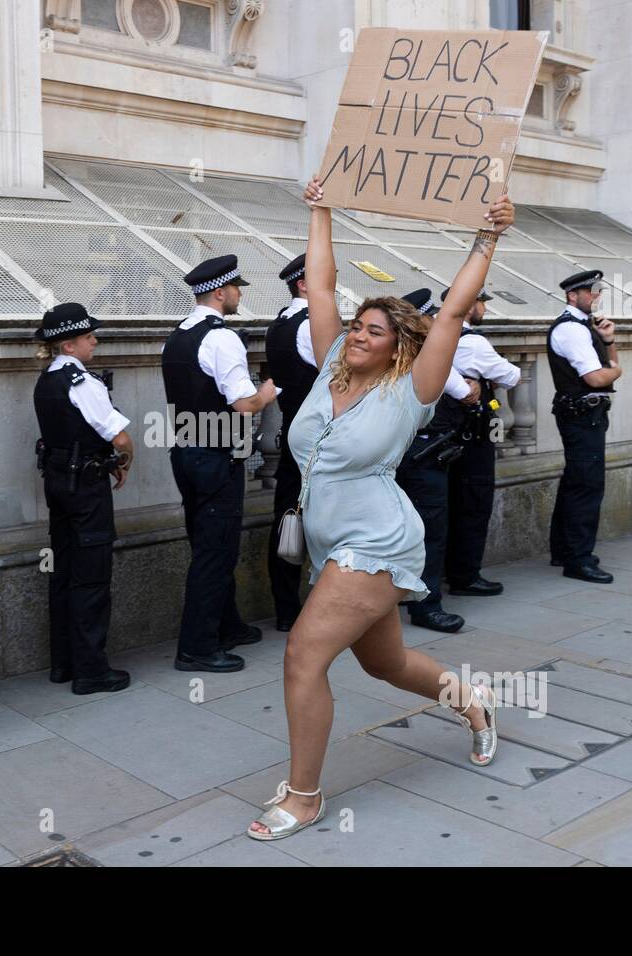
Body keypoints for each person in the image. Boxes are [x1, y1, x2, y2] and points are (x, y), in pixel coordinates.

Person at [247, 178, 514, 841]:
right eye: (358, 326)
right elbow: (320, 280)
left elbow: (450, 315)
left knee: (302, 658)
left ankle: (304, 796)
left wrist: (489, 236)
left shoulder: (412, 388)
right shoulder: (333, 360)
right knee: (386, 664)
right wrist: (320, 208)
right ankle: (473, 701)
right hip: (329, 543)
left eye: (375, 331)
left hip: (375, 540)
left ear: (398, 345)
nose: (360, 336)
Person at [162, 254, 279, 673]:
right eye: (236, 288)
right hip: (215, 456)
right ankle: (196, 648)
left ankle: (226, 626)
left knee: (209, 544)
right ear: (219, 292)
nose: (239, 295)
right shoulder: (221, 337)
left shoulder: (178, 334)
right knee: (215, 553)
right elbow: (243, 404)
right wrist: (266, 392)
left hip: (186, 452)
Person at [33, 302, 134, 695]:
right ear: (69, 345)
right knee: (91, 578)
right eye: (88, 336)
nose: (95, 340)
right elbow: (119, 436)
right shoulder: (82, 383)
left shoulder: (46, 380)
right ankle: (91, 671)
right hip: (87, 489)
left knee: (63, 572)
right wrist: (125, 460)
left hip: (58, 484)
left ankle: (64, 664)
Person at [393, 288, 481, 634]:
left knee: (398, 530)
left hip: (395, 453)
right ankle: (426, 606)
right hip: (424, 455)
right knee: (429, 532)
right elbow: (466, 392)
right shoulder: (428, 356)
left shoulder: (394, 353)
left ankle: (398, 593)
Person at [440, 286, 521, 597]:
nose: (484, 309)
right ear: (469, 305)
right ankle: (465, 575)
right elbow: (511, 376)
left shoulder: (438, 337)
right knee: (474, 503)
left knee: (449, 504)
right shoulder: (472, 342)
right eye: (482, 303)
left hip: (447, 437)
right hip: (475, 437)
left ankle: (447, 570)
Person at [547, 270, 620, 584]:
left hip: (586, 414)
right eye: (591, 291)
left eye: (597, 291)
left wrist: (610, 342)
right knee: (586, 486)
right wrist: (616, 370)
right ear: (572, 295)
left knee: (576, 481)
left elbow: (608, 370)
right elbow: (596, 378)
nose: (596, 296)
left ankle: (565, 550)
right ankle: (578, 559)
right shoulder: (571, 330)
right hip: (581, 415)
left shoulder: (584, 327)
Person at [264, 253, 318, 632]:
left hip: (291, 433)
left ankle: (286, 609)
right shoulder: (309, 326)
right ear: (303, 284)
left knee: (286, 519)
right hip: (319, 439)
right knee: (321, 521)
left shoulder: (279, 324)